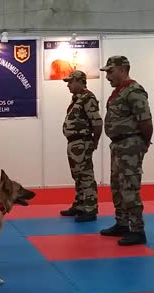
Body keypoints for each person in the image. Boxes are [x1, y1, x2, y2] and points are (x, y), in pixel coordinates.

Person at [98, 56, 153, 246]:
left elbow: (145, 121)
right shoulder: (119, 92)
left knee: (130, 187)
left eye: (110, 72)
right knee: (117, 186)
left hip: (130, 144)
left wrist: (143, 144)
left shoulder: (134, 91)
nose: (108, 77)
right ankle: (122, 223)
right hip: (119, 145)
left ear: (123, 69)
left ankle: (137, 229)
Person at [59, 70, 103, 222]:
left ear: (80, 81)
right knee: (78, 175)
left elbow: (97, 122)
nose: (68, 85)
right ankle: (79, 205)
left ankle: (90, 209)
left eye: (71, 82)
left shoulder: (88, 98)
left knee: (86, 176)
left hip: (82, 142)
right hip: (74, 143)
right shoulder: (77, 99)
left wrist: (94, 142)